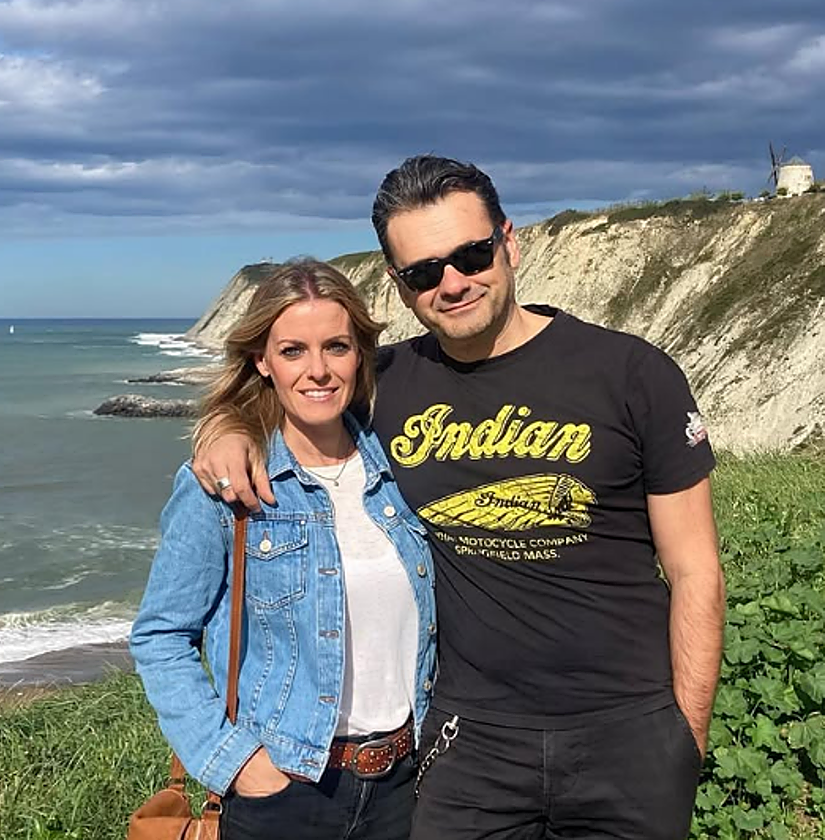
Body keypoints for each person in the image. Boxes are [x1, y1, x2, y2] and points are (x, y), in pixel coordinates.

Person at [192, 156, 725, 840]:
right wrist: (226, 429)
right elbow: (295, 391)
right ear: (399, 285)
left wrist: (685, 739)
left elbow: (696, 570)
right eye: (423, 272)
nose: (452, 283)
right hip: (465, 745)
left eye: (472, 254)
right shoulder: (382, 383)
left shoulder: (631, 373)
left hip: (628, 733)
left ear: (510, 242)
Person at [130, 260, 437, 840]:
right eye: (293, 350)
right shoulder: (228, 486)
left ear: (360, 355)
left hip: (404, 783)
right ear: (262, 361)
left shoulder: (402, 466)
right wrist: (238, 764)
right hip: (285, 791)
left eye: (337, 347)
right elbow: (160, 635)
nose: (318, 370)